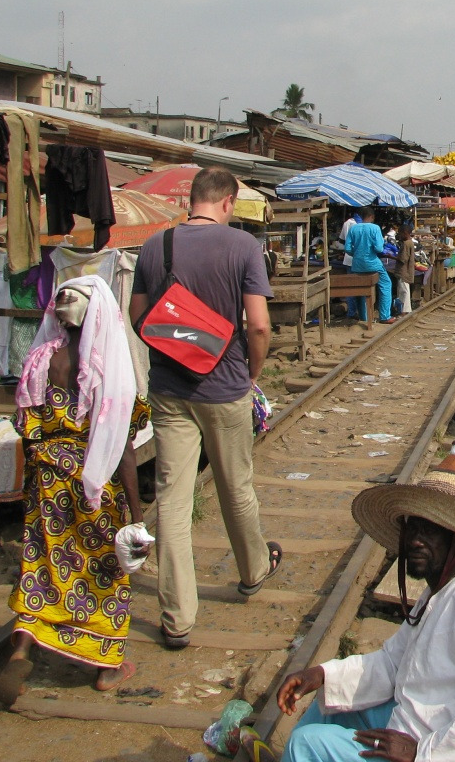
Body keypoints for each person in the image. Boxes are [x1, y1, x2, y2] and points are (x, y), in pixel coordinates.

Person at [273, 449, 455, 762]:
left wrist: (423, 752)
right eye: (413, 528)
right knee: (330, 707)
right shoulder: (439, 594)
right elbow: (393, 663)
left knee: (306, 743)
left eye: (430, 531)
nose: (416, 541)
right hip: (426, 723)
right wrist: (322, 675)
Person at [131, 167, 282, 649]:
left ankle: (177, 617)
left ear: (191, 199)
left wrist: (174, 346)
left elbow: (138, 316)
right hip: (225, 387)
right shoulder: (243, 247)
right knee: (235, 484)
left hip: (169, 390)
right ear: (228, 202)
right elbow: (258, 325)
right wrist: (251, 373)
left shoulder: (156, 246)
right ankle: (254, 570)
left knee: (172, 498)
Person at [0, 277, 151, 705]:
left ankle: (24, 646)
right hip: (92, 483)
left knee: (43, 561)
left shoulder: (43, 358)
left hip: (47, 482)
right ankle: (106, 666)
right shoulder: (107, 366)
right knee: (103, 570)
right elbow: (122, 446)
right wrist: (136, 514)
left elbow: (27, 426)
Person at [345, 207, 394, 325]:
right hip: (373, 263)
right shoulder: (375, 228)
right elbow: (379, 248)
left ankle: (364, 317)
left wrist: (357, 254)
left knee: (361, 289)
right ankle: (385, 316)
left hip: (357, 264)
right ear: (371, 217)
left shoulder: (353, 228)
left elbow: (347, 249)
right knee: (386, 284)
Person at [394, 224, 415, 316]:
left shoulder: (406, 244)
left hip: (404, 271)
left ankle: (404, 310)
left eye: (400, 233)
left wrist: (391, 256)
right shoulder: (410, 242)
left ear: (405, 233)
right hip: (407, 271)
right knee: (404, 290)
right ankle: (405, 309)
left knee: (404, 291)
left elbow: (403, 259)